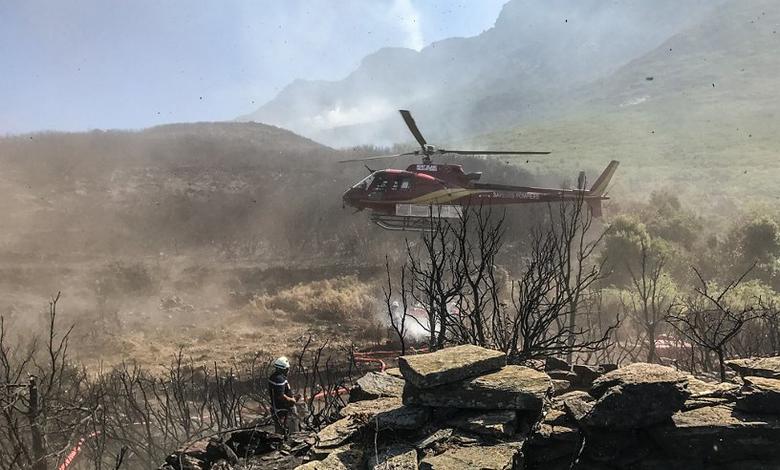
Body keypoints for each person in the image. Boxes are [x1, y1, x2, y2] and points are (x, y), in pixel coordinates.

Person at [268, 356, 299, 435]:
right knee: (292, 433)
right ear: (283, 369)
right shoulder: (279, 379)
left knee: (280, 431)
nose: (288, 371)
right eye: (287, 369)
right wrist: (292, 400)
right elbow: (281, 396)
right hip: (284, 410)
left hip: (279, 410)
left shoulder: (274, 377)